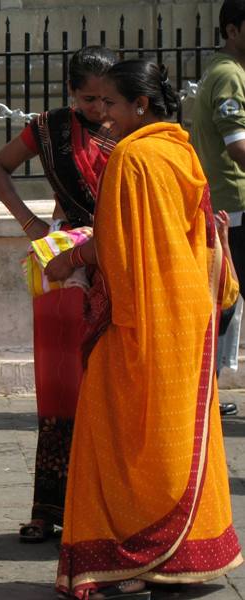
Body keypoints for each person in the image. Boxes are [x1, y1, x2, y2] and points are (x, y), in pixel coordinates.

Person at [46, 59, 242, 599]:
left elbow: (115, 248)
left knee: (114, 437)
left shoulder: (131, 157)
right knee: (181, 435)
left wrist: (70, 263)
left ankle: (129, 553)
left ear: (141, 105)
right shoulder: (180, 148)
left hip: (137, 320)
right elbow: (201, 236)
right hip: (188, 318)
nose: (102, 116)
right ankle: (187, 547)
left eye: (110, 104)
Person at [0, 46, 117, 543]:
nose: (100, 110)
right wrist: (32, 225)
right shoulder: (50, 128)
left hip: (117, 263)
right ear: (70, 93)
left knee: (104, 387)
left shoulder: (129, 126)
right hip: (65, 265)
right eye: (89, 99)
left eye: (108, 99)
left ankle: (101, 508)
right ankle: (48, 507)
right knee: (60, 384)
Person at [192, 0, 245, 417]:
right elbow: (237, 145)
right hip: (236, 207)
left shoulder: (228, 71)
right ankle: (197, 391)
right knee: (223, 305)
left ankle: (199, 390)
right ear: (232, 30)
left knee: (224, 303)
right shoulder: (229, 74)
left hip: (231, 208)